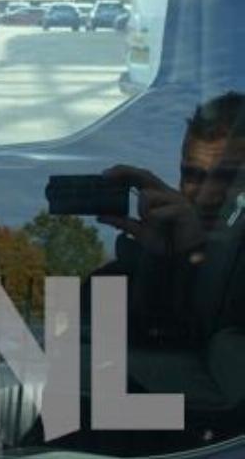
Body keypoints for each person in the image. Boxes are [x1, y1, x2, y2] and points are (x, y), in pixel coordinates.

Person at [96, 91, 245, 345]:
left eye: (227, 178)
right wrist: (157, 262)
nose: (205, 196)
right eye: (192, 175)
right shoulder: (141, 262)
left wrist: (194, 256)